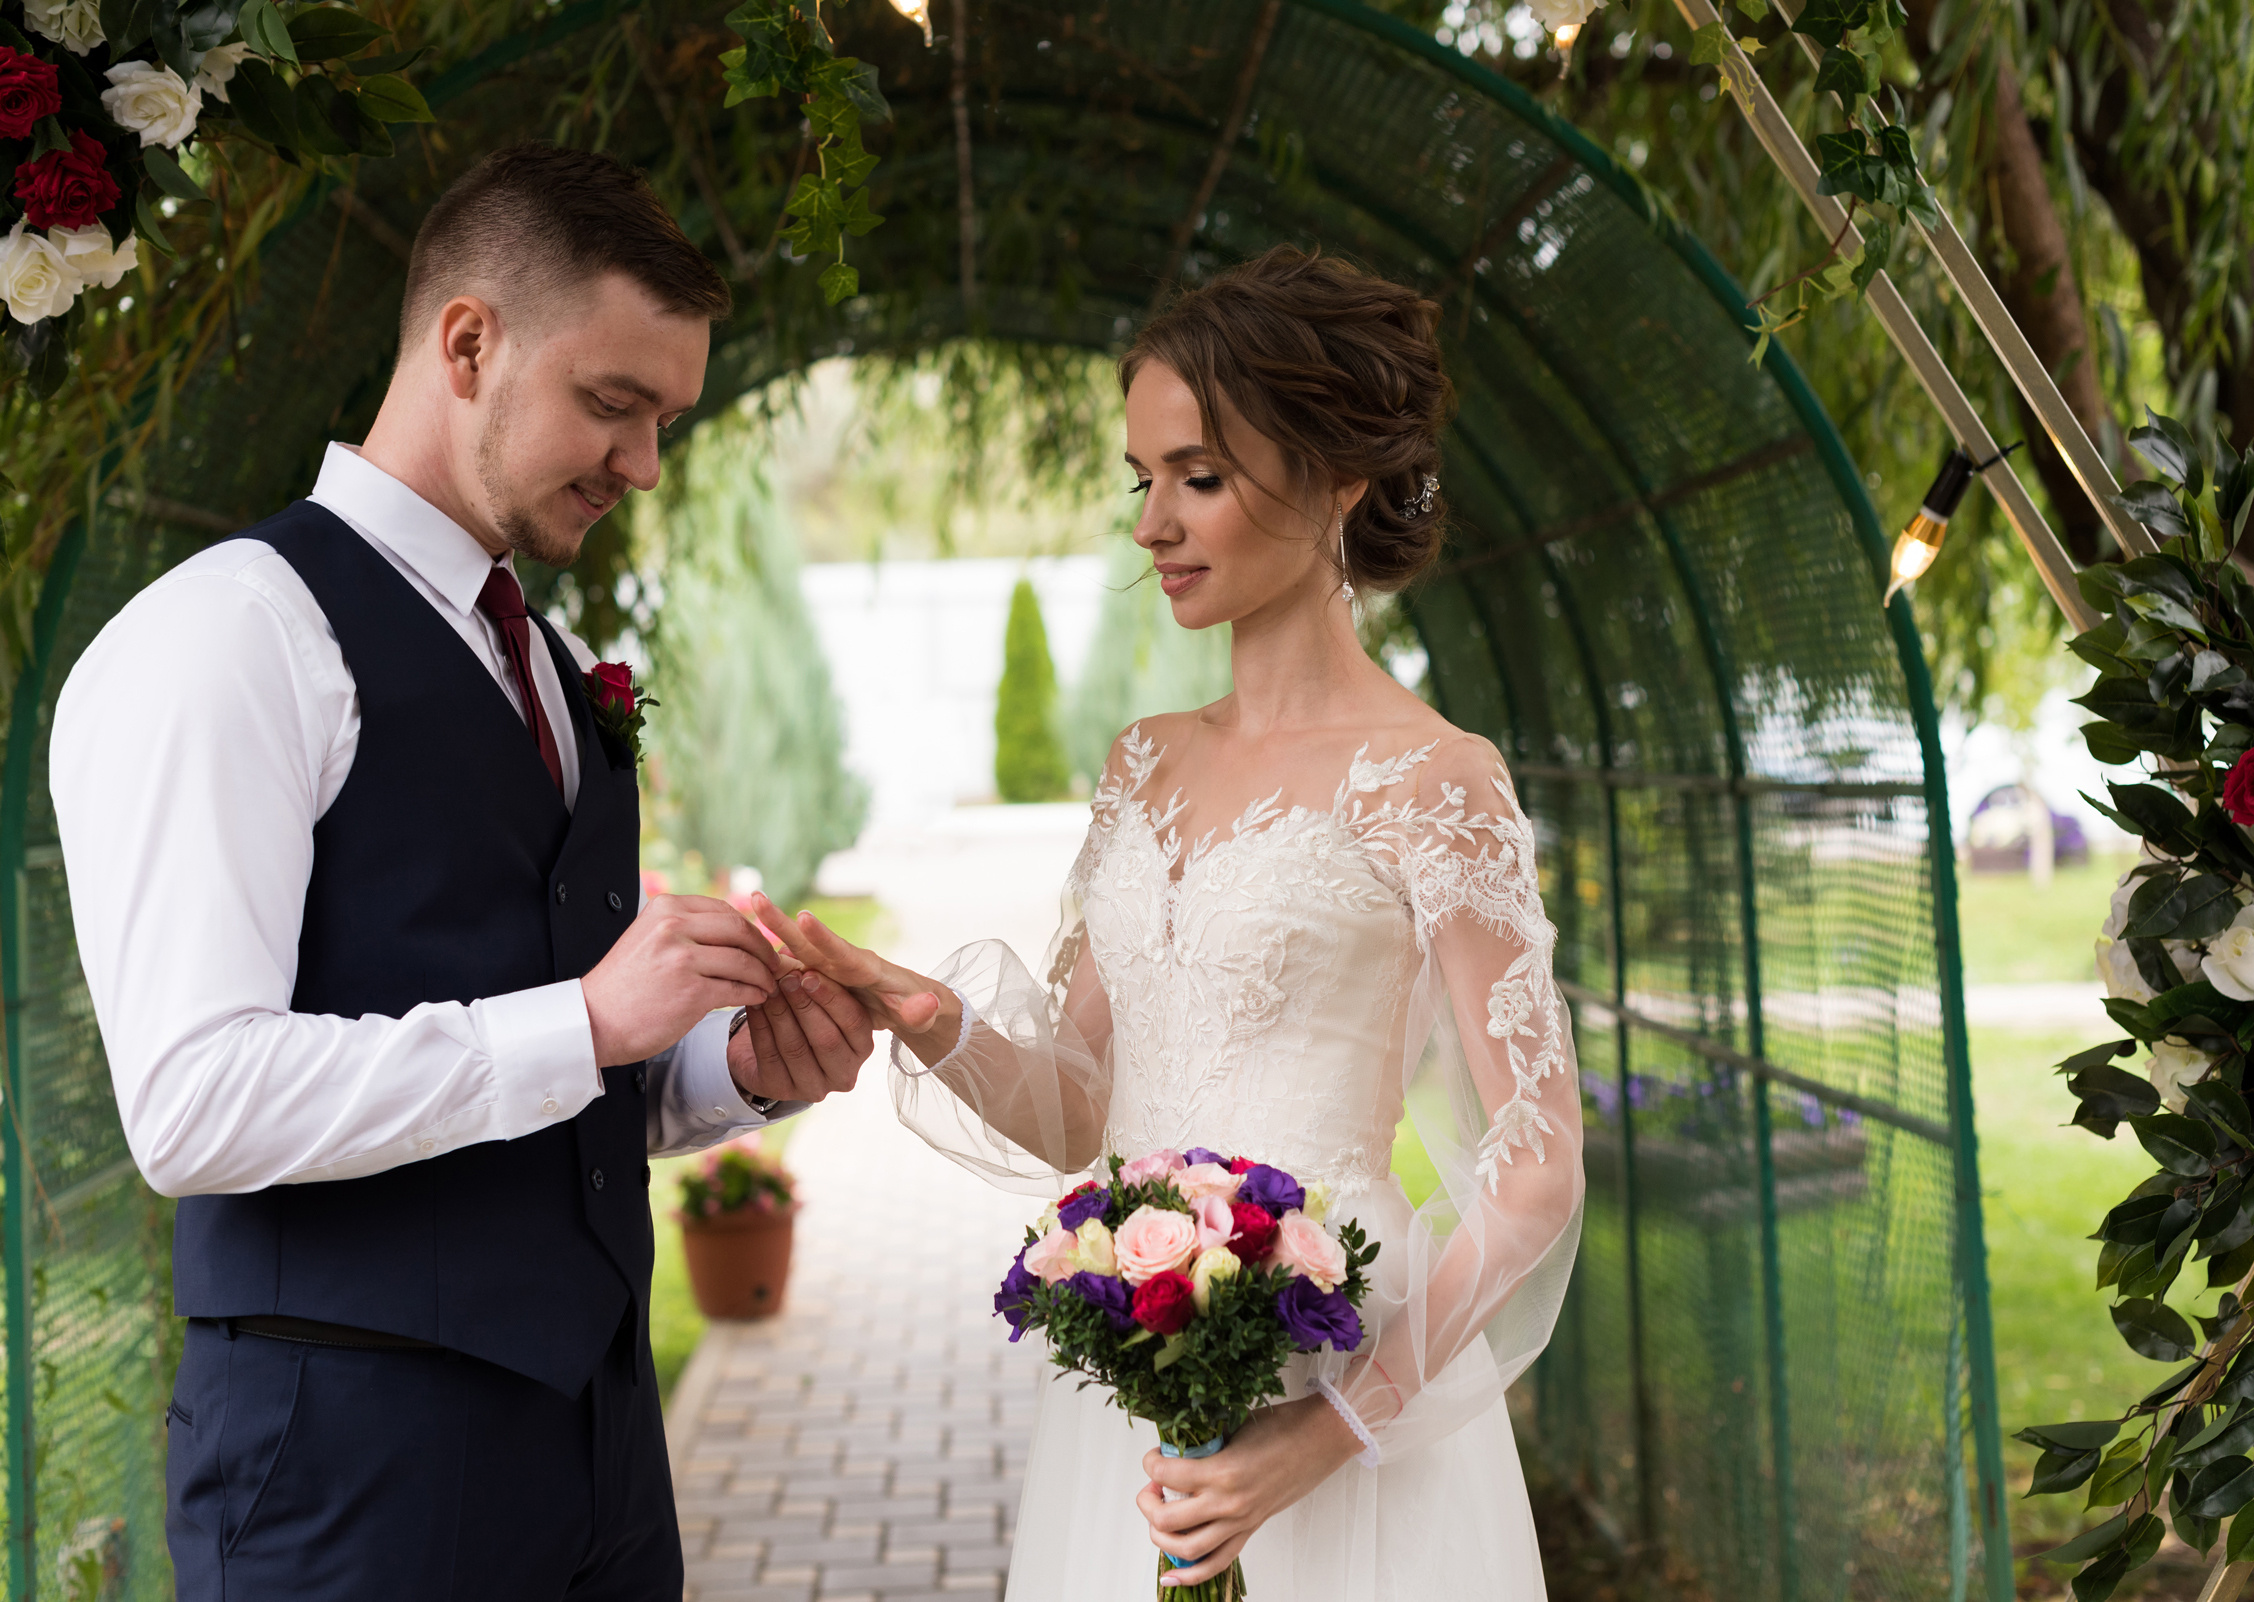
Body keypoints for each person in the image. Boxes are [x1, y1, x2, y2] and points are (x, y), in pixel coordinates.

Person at [51, 143, 920, 1600]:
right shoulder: (231, 637)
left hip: (604, 1462)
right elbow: (192, 1103)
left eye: (665, 421)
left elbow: (557, 1075)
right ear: (467, 344)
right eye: (613, 404)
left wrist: (736, 1072)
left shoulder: (557, 663)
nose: (645, 465)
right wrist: (585, 1019)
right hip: (350, 1481)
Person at [757, 245, 1586, 1598]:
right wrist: (927, 1014)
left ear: (1337, 477)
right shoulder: (1140, 763)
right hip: (1132, 1387)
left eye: (1197, 476)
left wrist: (1327, 1432)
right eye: (1142, 478)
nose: (1152, 524)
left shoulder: (1437, 779)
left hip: (1341, 1384)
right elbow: (1079, 1110)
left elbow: (1537, 1166)